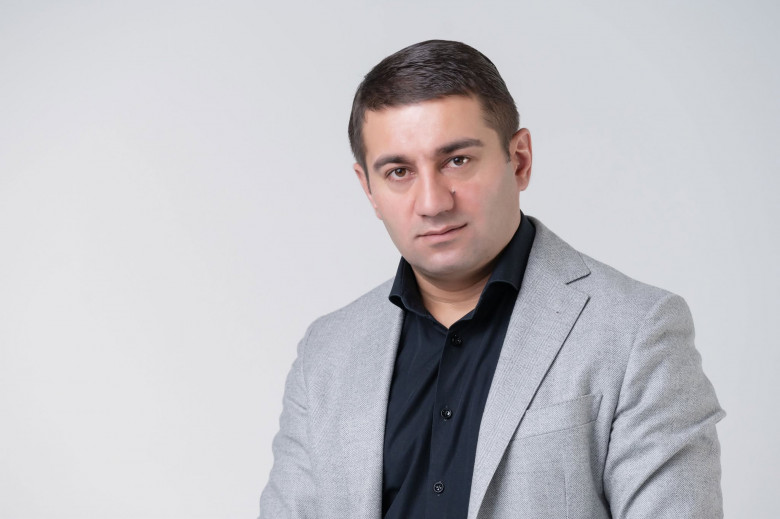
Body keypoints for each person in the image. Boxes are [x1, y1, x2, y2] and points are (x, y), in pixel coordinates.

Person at [259, 40, 724, 519]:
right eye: (399, 171)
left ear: (519, 159)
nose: (433, 202)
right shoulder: (326, 354)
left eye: (457, 160)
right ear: (369, 189)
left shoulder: (636, 331)